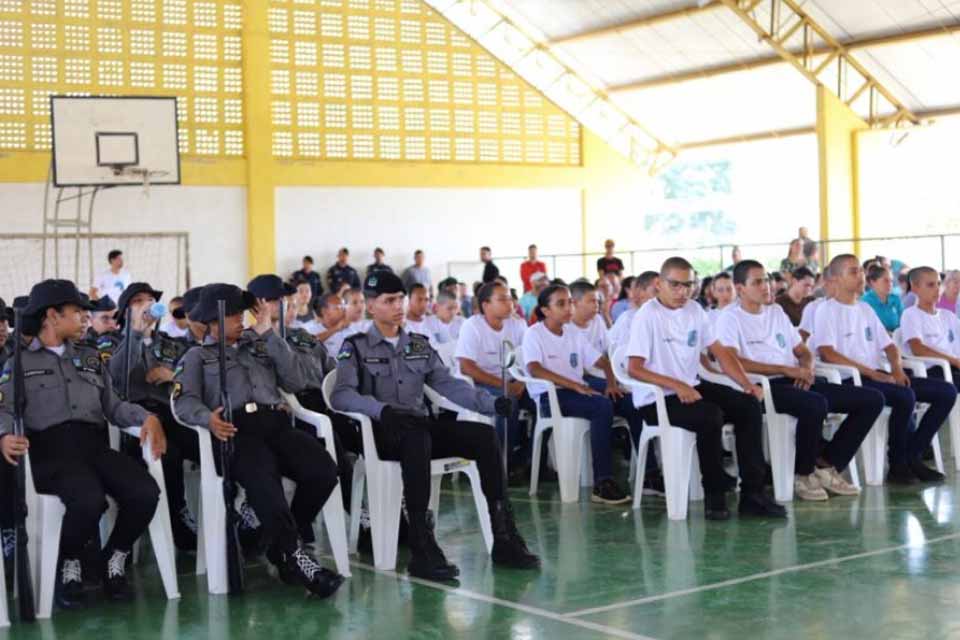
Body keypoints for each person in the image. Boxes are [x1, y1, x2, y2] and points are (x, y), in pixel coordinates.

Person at [332, 272, 540, 580]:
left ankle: (505, 536)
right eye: (389, 301)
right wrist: (381, 410)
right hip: (383, 432)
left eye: (399, 299)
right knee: (417, 438)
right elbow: (341, 394)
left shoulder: (418, 345)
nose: (397, 306)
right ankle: (422, 546)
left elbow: (448, 385)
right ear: (371, 307)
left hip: (418, 427)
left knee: (483, 435)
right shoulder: (356, 347)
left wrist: (490, 403)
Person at [0, 279, 166, 607]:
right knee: (89, 500)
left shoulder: (91, 359)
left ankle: (113, 557)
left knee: (145, 492)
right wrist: (4, 435)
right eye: (77, 311)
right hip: (50, 452)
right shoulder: (19, 363)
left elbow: (114, 406)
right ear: (52, 316)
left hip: (94, 447)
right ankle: (70, 560)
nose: (84, 318)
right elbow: (4, 409)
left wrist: (145, 417)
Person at [175, 282, 344, 597]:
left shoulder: (262, 343)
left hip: (276, 424)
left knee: (324, 471)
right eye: (234, 315)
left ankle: (277, 542)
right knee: (266, 482)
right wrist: (207, 418)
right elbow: (184, 402)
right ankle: (296, 559)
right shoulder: (198, 356)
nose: (242, 320)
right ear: (213, 321)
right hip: (236, 430)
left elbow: (295, 381)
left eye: (243, 313)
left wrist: (269, 333)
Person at [626, 257, 786, 520]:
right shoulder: (647, 315)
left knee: (747, 405)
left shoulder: (695, 310)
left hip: (691, 387)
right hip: (656, 398)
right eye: (675, 285)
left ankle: (753, 494)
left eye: (688, 285)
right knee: (709, 415)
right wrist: (677, 385)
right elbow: (635, 368)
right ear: (659, 283)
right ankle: (714, 493)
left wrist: (746, 384)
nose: (682, 292)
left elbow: (720, 352)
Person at [719, 261, 880, 501]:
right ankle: (802, 474)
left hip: (793, 379)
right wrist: (785, 369)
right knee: (814, 404)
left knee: (871, 399)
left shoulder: (775, 312)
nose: (766, 286)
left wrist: (806, 367)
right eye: (758, 282)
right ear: (740, 288)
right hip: (760, 387)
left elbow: (802, 350)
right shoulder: (729, 318)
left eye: (767, 280)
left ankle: (827, 463)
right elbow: (734, 361)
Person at [813, 254, 956, 484]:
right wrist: (872, 373)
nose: (860, 275)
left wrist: (897, 369)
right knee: (903, 396)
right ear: (837, 279)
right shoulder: (826, 310)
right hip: (848, 379)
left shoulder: (865, 309)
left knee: (946, 392)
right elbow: (827, 353)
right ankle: (898, 463)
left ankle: (912, 455)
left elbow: (890, 346)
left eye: (860, 270)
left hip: (878, 376)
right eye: (853, 272)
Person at [247, 274, 360, 538]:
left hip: (326, 401)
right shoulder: (249, 342)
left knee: (369, 436)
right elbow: (288, 384)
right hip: (295, 411)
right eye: (273, 300)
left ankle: (385, 516)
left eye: (283, 299)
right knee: (336, 455)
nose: (282, 304)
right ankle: (357, 518)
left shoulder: (303, 336)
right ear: (256, 306)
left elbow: (332, 369)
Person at [522, 284, 632, 504]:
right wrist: (574, 385)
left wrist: (611, 383)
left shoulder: (571, 331)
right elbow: (535, 368)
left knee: (629, 402)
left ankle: (648, 474)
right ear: (545, 310)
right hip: (550, 397)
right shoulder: (534, 334)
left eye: (570, 302)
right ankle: (603, 481)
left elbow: (602, 361)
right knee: (601, 406)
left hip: (574, 392)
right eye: (561, 304)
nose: (569, 307)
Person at [109, 282, 199, 551]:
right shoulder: (110, 343)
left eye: (150, 299)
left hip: (174, 413)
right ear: (126, 311)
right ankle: (176, 516)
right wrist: (136, 333)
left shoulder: (173, 345)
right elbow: (114, 378)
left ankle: (235, 511)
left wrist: (173, 378)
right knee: (168, 454)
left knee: (213, 443)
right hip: (136, 420)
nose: (147, 305)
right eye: (138, 301)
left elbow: (194, 379)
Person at [608, 271, 658, 352]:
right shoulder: (627, 320)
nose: (662, 296)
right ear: (640, 292)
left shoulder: (665, 318)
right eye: (656, 291)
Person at [861, 264, 903, 332]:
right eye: (886, 281)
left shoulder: (896, 299)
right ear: (873, 282)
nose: (890, 284)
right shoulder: (865, 302)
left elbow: (903, 323)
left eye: (891, 281)